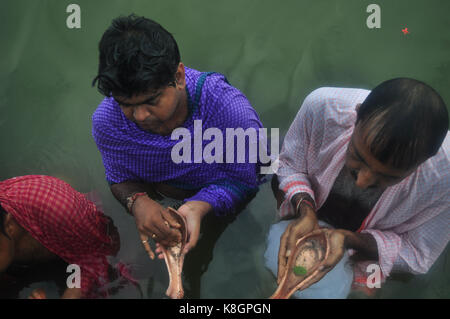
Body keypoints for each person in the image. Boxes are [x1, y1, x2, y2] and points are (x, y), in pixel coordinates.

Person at [91, 15, 264, 267]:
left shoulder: (227, 110)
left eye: (151, 101)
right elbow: (118, 176)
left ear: (179, 77)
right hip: (161, 199)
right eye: (126, 104)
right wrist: (137, 202)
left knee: (246, 254)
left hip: (225, 199)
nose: (139, 116)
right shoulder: (108, 121)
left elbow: (247, 179)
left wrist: (199, 206)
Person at [265, 78, 449, 298]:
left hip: (366, 252)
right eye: (357, 157)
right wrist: (305, 210)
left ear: (425, 161)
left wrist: (349, 241)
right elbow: (289, 164)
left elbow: (418, 255)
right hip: (306, 207)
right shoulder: (323, 107)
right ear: (357, 115)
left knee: (363, 292)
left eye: (387, 176)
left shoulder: (444, 178)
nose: (362, 181)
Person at [0, 175, 122, 298]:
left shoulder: (59, 212)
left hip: (79, 248)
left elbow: (98, 261)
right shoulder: (5, 241)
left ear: (9, 225)